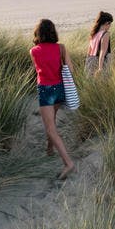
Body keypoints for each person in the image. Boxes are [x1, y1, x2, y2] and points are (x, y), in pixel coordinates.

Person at [29, 19, 75, 179]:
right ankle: (49, 149)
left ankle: (68, 163)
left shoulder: (33, 51)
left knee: (50, 128)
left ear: (38, 33)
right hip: (60, 88)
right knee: (52, 121)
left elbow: (38, 70)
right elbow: (71, 69)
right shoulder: (61, 48)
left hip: (46, 90)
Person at [85, 11, 113, 75]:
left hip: (90, 60)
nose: (110, 26)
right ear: (107, 23)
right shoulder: (105, 34)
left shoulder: (93, 33)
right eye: (110, 24)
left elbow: (89, 51)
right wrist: (100, 68)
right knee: (104, 80)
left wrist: (87, 64)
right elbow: (102, 53)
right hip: (101, 62)